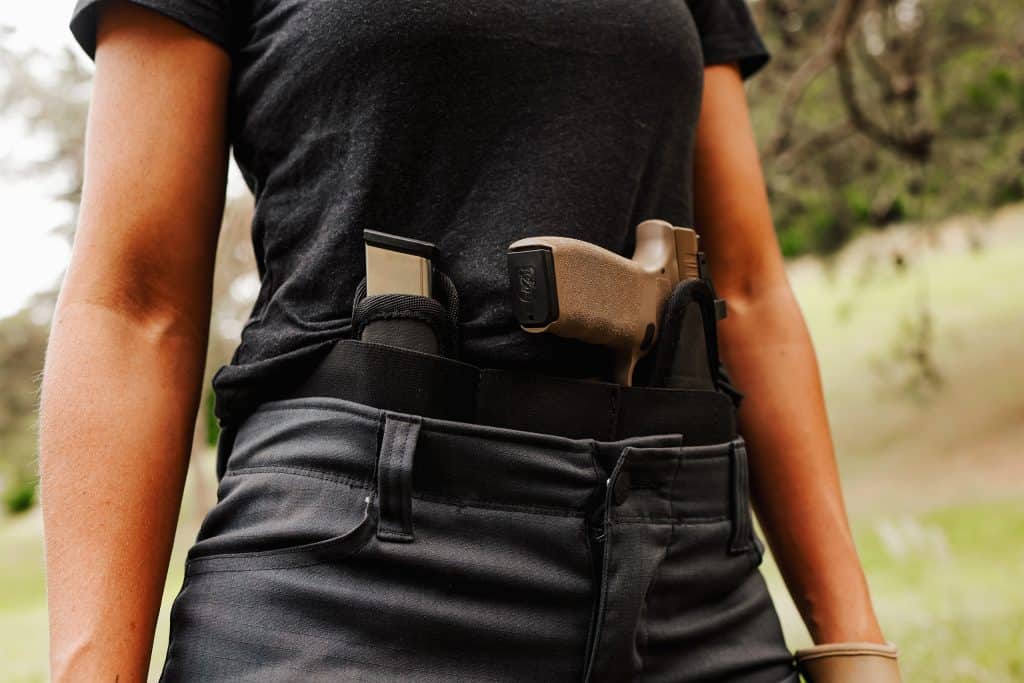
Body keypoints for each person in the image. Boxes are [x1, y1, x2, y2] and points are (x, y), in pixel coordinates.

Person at [39, 0, 890, 680]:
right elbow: (134, 304)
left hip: (685, 557)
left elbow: (750, 290)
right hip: (360, 565)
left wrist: (854, 645)